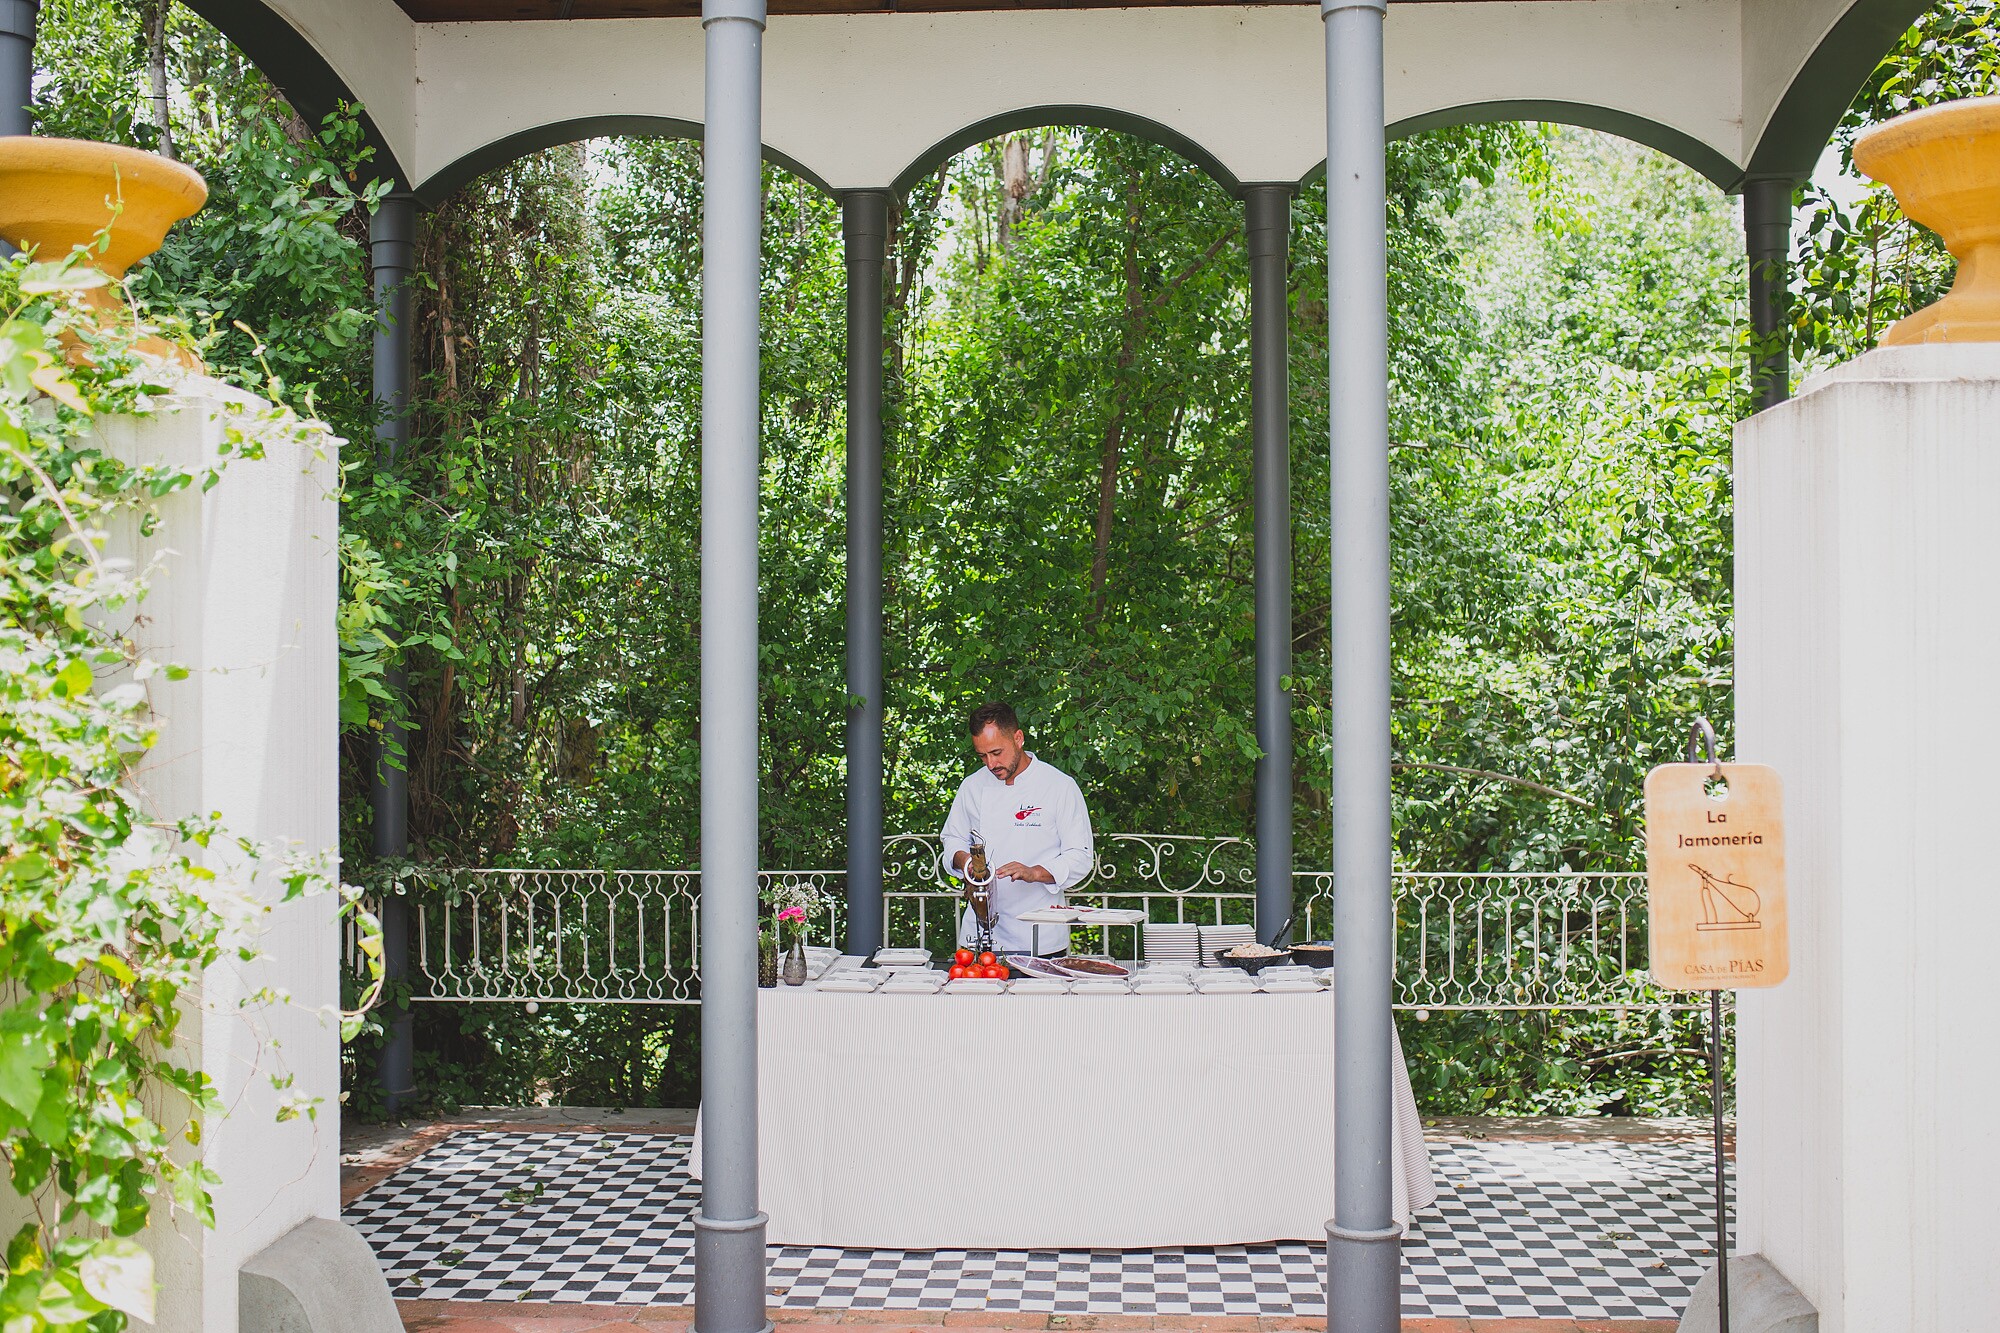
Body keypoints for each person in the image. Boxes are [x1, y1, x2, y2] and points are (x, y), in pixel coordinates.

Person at [938, 702, 1095, 956]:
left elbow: (1081, 856)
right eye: (983, 756)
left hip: (1040, 936)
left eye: (997, 752)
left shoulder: (1059, 786)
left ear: (1018, 738)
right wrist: (967, 863)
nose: (991, 764)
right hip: (978, 937)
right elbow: (952, 839)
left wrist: (1034, 872)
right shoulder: (972, 786)